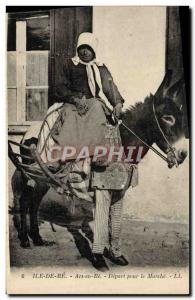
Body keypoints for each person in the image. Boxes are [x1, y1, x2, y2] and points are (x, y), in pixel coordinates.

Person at [54, 32, 128, 271]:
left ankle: (109, 156)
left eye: (89, 49)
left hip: (95, 107)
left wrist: (116, 103)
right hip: (76, 106)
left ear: (95, 50)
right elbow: (60, 87)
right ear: (78, 49)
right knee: (96, 108)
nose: (85, 52)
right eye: (82, 48)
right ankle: (78, 161)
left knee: (107, 114)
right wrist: (76, 99)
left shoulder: (101, 68)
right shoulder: (70, 65)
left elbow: (110, 88)